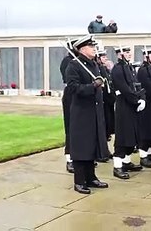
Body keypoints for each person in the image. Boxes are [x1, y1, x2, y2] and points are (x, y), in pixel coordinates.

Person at [65, 34, 110, 194]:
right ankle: (79, 181)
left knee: (91, 145)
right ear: (83, 49)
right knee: (81, 147)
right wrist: (93, 86)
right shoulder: (74, 65)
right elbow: (73, 88)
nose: (94, 49)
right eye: (92, 47)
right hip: (82, 112)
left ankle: (91, 177)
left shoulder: (93, 65)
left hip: (94, 110)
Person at [111, 46, 145, 179]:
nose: (129, 54)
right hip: (124, 105)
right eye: (126, 52)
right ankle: (118, 166)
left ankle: (126, 161)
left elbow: (137, 85)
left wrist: (141, 98)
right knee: (123, 135)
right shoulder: (118, 69)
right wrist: (136, 101)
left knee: (131, 133)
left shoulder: (129, 67)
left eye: (129, 52)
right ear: (119, 54)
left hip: (132, 104)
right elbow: (124, 88)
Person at [60, 37, 79, 173]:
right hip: (71, 96)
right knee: (70, 127)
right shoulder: (68, 62)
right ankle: (70, 159)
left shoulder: (80, 62)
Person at [95, 49, 115, 149]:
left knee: (108, 124)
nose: (105, 58)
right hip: (102, 100)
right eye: (103, 57)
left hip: (108, 99)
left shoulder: (104, 68)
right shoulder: (97, 68)